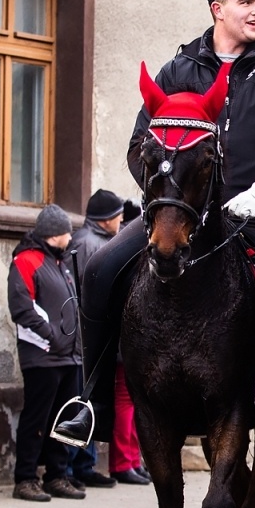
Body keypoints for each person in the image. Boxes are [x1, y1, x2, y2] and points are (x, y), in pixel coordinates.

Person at [81, 0, 255, 480]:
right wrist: (164, 195)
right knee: (99, 271)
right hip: (181, 213)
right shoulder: (177, 69)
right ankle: (90, 405)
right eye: (246, 2)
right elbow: (139, 147)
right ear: (217, 9)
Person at [8, 204, 87, 502]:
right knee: (36, 419)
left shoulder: (61, 262)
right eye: (67, 232)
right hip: (42, 355)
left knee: (61, 420)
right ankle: (25, 478)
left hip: (68, 355)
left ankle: (57, 475)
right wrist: (52, 337)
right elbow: (22, 308)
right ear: (56, 235)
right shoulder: (27, 261)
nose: (70, 237)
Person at [67, 190, 140, 486]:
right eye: (117, 216)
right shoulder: (88, 244)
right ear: (106, 219)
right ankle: (78, 467)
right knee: (90, 398)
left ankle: (88, 465)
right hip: (94, 335)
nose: (121, 221)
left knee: (109, 400)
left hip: (107, 334)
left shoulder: (102, 241)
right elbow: (90, 294)